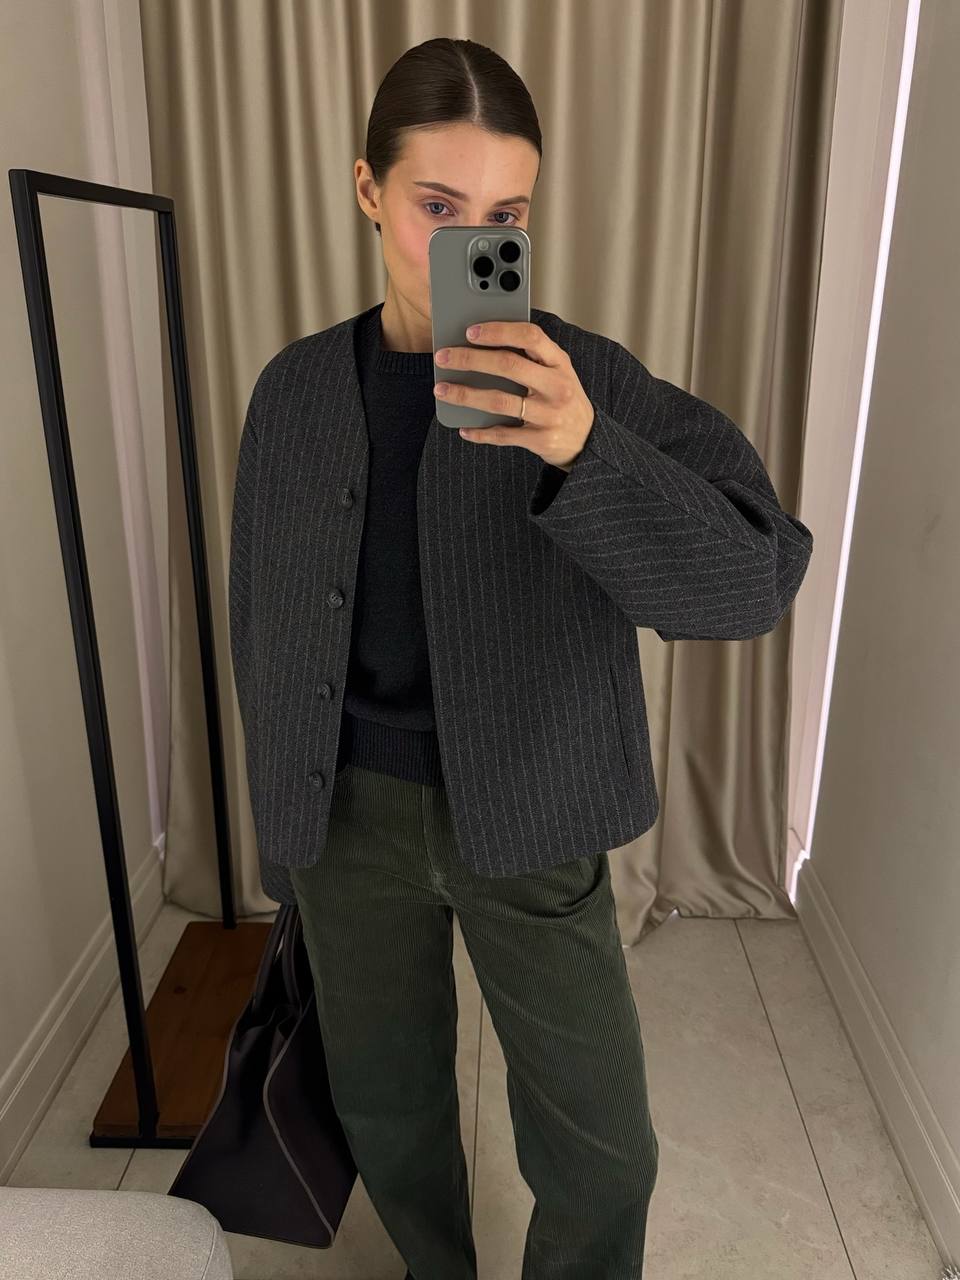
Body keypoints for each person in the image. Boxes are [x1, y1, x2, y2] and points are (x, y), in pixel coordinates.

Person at [231, 34, 812, 1280]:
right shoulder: (293, 392)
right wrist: (285, 832)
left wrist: (588, 450)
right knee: (388, 1109)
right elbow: (261, 620)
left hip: (534, 808)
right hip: (347, 822)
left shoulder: (578, 379)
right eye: (437, 206)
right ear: (368, 189)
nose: (469, 243)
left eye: (504, 216)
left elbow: (756, 579)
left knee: (604, 1156)